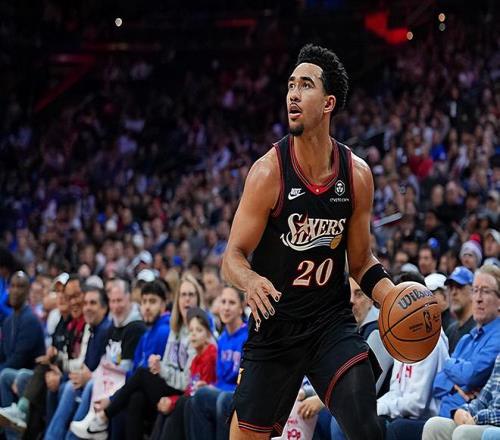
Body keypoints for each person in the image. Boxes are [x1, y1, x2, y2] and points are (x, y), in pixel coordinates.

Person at [222, 44, 404, 439]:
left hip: (329, 324)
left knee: (366, 426)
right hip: (275, 327)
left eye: (305, 85)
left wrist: (392, 297)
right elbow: (232, 256)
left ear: (328, 103)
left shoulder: (356, 175)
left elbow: (361, 262)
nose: (293, 94)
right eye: (290, 85)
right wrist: (250, 280)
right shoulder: (268, 172)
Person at [84, 273, 204, 439]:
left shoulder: (168, 330)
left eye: (152, 302)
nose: (147, 307)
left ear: (164, 304)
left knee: (140, 377)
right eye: (183, 295)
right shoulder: (172, 329)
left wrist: (113, 398)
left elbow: (185, 379)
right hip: (167, 385)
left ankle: (103, 416)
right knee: (136, 398)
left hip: (184, 392)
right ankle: (102, 418)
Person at [187, 286, 248, 440]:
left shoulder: (248, 337)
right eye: (223, 302)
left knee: (224, 400)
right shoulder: (221, 339)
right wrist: (210, 386)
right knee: (197, 396)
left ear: (241, 308)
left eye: (232, 303)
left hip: (239, 394)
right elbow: (220, 379)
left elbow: (245, 382)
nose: (226, 307)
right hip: (222, 390)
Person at [150, 307, 217, 440]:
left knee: (181, 404)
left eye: (199, 330)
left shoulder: (211, 355)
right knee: (165, 410)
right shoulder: (195, 359)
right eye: (191, 331)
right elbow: (189, 389)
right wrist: (171, 400)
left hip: (206, 404)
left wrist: (174, 402)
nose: (193, 334)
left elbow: (200, 392)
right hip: (192, 400)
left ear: (209, 335)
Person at [422, 353, 500, 440]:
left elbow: (470, 376)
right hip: (483, 420)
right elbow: (482, 401)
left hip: (492, 422)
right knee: (434, 425)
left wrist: (479, 418)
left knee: (463, 432)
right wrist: (462, 411)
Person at [444, 266, 475, 353]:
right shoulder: (450, 331)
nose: (453, 292)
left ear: (473, 291)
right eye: (451, 288)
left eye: (459, 286)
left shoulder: (479, 328)